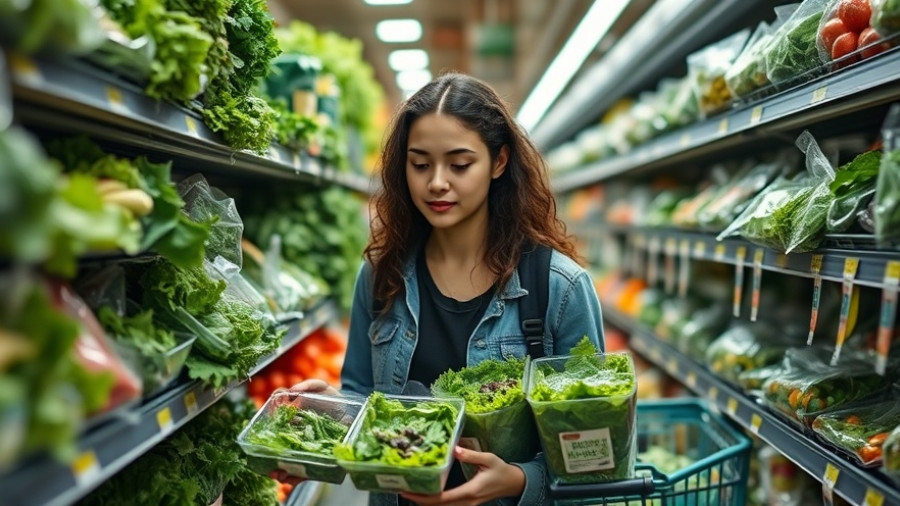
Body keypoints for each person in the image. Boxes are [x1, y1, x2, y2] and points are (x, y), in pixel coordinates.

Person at [290, 73, 605, 506]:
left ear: (498, 162)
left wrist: (516, 480)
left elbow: (592, 452)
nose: (437, 182)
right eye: (420, 164)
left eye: (459, 165)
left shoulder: (559, 287)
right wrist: (330, 411)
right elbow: (362, 395)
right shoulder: (383, 276)